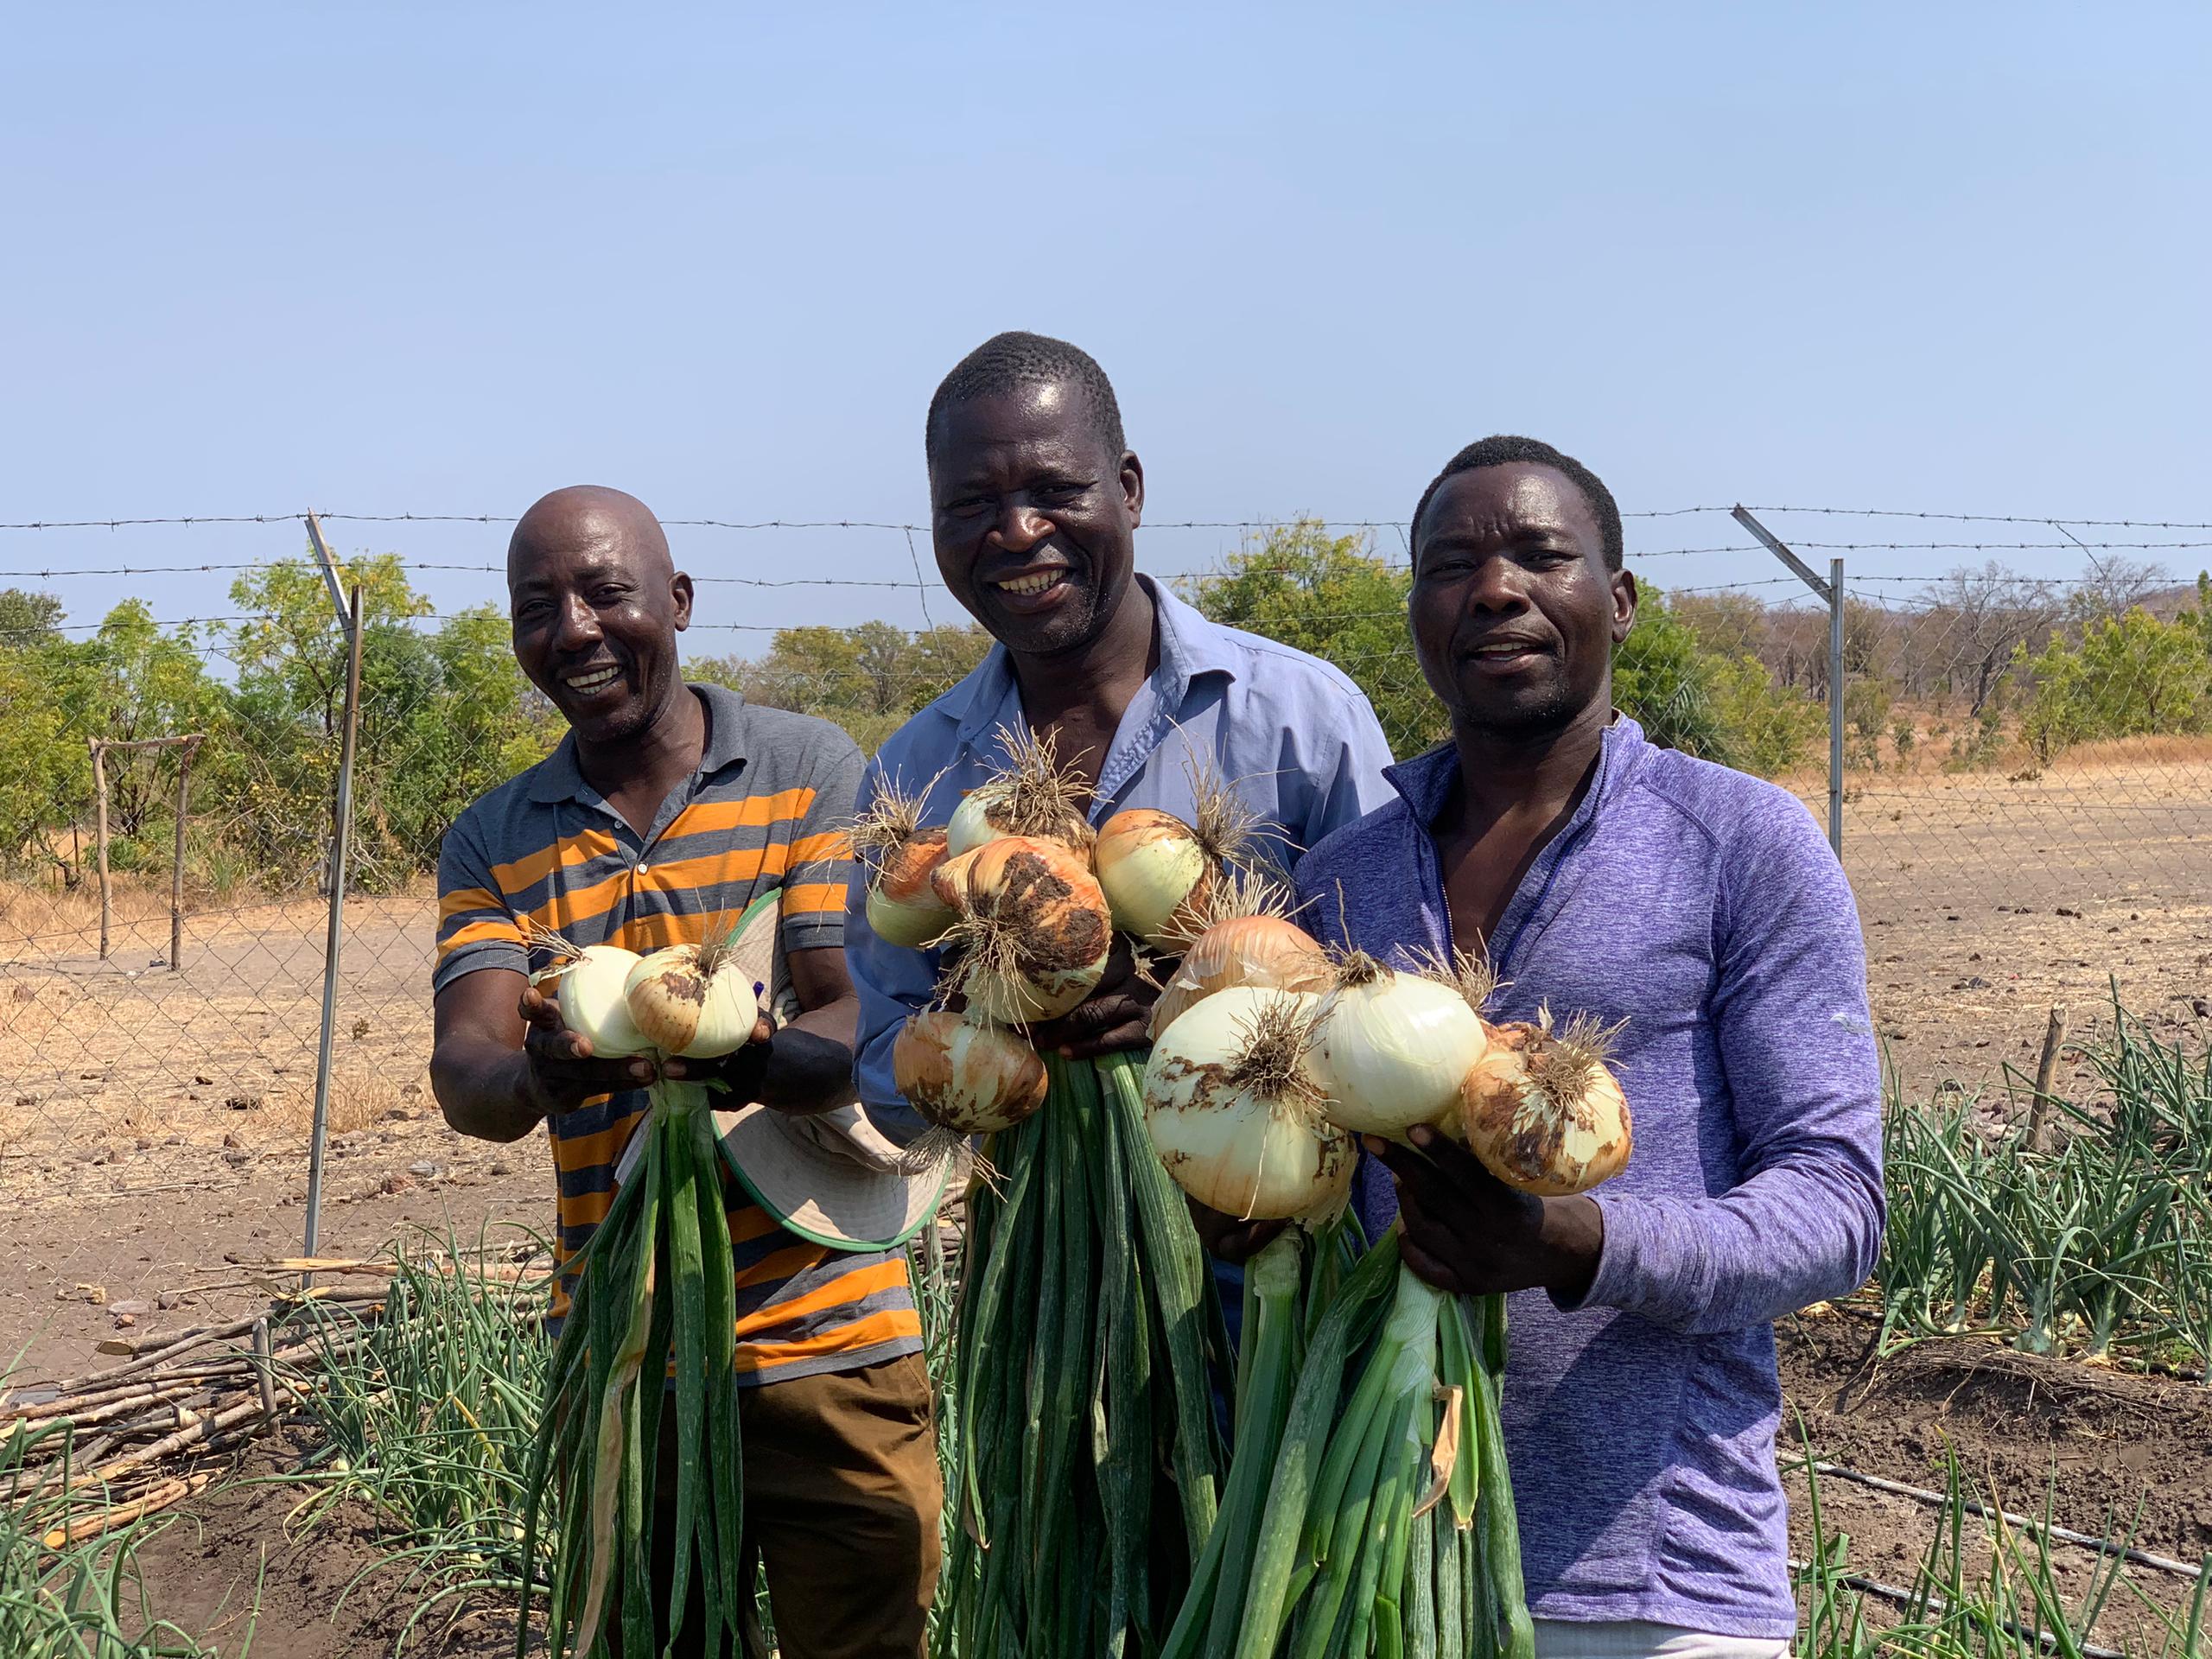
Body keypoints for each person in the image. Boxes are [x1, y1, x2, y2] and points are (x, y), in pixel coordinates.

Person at [1292, 437, 1885, 1657]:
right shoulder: (1339, 880)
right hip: (1366, 1557)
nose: (1495, 589)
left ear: (1618, 601)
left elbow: (1840, 1207)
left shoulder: (1743, 844)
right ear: (1418, 613)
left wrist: (1577, 1243)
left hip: (1653, 1584)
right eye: (1451, 564)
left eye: (1540, 556)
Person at [429, 486, 941, 1659]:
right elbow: (467, 1065)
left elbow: (849, 1019)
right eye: (537, 607)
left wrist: (749, 1057)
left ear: (678, 601)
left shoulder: (807, 765)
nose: (575, 629)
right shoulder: (497, 836)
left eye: (608, 592)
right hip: (627, 1356)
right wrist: (540, 1083)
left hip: (830, 1340)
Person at [847, 330, 1400, 1257]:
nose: (1018, 531)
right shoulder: (915, 771)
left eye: (1055, 491)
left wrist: (1187, 1018)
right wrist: (995, 1023)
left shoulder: (1301, 718)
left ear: (1129, 489)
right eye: (972, 503)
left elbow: (1394, 1015)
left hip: (1278, 1294)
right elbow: (881, 1073)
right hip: (1043, 1304)